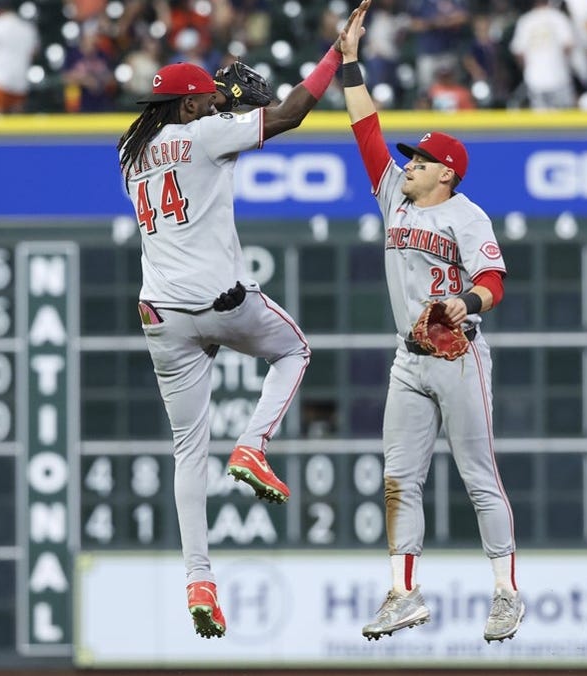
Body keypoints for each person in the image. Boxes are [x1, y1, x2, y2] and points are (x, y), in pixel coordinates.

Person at [115, 6, 357, 636]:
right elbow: (291, 112)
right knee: (295, 351)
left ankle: (199, 580)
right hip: (220, 302)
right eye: (206, 99)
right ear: (190, 108)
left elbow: (186, 125)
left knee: (187, 451)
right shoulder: (200, 135)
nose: (216, 102)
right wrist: (333, 54)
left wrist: (214, 101)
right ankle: (253, 445)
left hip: (161, 316)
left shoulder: (131, 154)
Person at [336, 0, 524, 643]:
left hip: (458, 353)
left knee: (479, 477)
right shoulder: (393, 194)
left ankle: (505, 592)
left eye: (420, 160)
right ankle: (401, 593)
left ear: (447, 173)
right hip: (408, 357)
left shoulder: (467, 216)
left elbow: (495, 281)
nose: (407, 163)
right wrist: (351, 61)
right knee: (398, 479)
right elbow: (365, 128)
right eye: (409, 159)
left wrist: (465, 305)